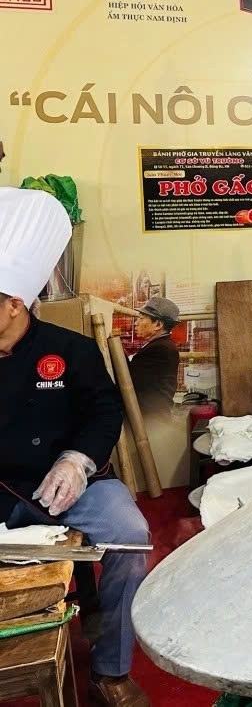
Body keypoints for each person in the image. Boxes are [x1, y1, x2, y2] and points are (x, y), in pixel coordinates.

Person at [0, 188, 151, 707]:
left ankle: (109, 671)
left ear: (14, 304)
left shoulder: (72, 351)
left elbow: (106, 412)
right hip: (1, 490)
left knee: (131, 537)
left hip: (68, 484)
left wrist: (77, 460)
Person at [129, 296, 181, 414]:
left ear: (158, 324)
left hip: (151, 418)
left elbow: (129, 377)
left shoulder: (160, 349)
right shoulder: (162, 345)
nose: (136, 323)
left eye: (141, 319)